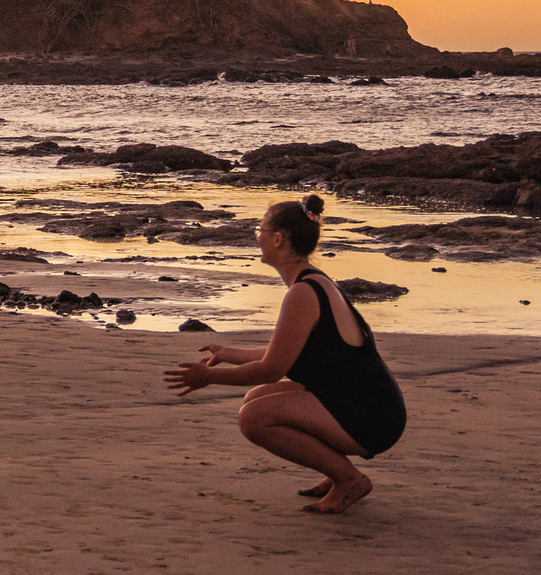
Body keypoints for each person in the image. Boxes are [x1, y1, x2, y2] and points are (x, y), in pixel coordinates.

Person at [162, 194, 406, 515]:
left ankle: (349, 480)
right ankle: (336, 472)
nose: (257, 237)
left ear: (278, 240)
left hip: (371, 415)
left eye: (259, 230)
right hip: (365, 403)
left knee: (254, 418)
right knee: (257, 398)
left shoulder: (304, 293)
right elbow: (290, 351)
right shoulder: (313, 281)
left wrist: (208, 377)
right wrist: (229, 353)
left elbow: (271, 369)